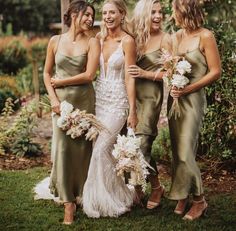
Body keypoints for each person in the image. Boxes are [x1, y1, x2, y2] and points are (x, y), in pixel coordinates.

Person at [43, 0, 100, 225]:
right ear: (74, 15)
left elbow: (89, 75)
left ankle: (82, 193)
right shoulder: (54, 41)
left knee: (82, 150)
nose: (89, 19)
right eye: (86, 15)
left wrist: (62, 81)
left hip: (83, 102)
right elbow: (47, 74)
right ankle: (68, 202)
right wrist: (54, 100)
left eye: (91, 16)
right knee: (63, 150)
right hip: (61, 105)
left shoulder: (92, 42)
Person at [81, 0, 138, 218]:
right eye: (104, 13)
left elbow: (129, 77)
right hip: (100, 100)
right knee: (102, 150)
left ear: (122, 15)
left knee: (100, 150)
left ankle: (101, 199)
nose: (107, 16)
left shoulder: (127, 41)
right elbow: (89, 70)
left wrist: (132, 110)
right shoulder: (98, 39)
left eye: (112, 12)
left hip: (118, 102)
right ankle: (117, 193)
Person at [168, 0, 221, 221]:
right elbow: (170, 65)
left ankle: (199, 200)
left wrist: (190, 87)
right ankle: (182, 194)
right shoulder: (178, 36)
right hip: (176, 100)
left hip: (193, 100)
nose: (172, 15)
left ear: (185, 11)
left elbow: (215, 71)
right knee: (176, 149)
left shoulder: (206, 36)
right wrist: (172, 81)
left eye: (174, 11)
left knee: (185, 150)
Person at [128, 0, 172, 209]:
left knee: (142, 143)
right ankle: (155, 185)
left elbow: (173, 72)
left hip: (151, 97)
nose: (157, 16)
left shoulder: (166, 39)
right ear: (144, 14)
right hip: (130, 95)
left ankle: (150, 186)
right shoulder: (134, 37)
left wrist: (145, 73)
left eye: (160, 12)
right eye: (153, 12)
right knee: (130, 143)